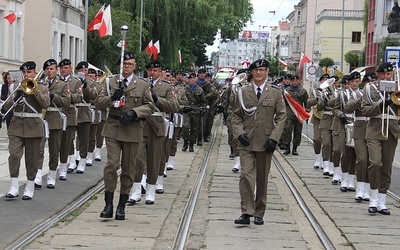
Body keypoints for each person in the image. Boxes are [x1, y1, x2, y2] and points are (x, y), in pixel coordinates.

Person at [96, 52, 155, 220]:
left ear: (135, 66)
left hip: (132, 128)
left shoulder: (142, 85)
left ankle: (121, 206)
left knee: (129, 168)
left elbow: (150, 107)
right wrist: (111, 98)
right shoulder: (110, 82)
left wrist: (135, 112)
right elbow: (98, 103)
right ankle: (108, 204)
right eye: (124, 64)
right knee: (112, 164)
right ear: (120, 65)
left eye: (130, 64)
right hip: (113, 127)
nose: (127, 67)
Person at [232, 59, 286, 225]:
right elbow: (235, 115)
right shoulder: (243, 91)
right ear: (251, 72)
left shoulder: (275, 92)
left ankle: (259, 212)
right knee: (246, 176)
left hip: (265, 142)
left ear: (267, 71)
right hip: (246, 142)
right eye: (256, 70)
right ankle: (246, 212)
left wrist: (274, 139)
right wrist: (239, 133)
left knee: (262, 178)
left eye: (262, 70)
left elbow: (282, 116)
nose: (259, 73)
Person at [4, 61, 50, 200]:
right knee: (14, 155)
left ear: (34, 73)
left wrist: (34, 91)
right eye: (24, 72)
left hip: (34, 126)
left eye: (29, 72)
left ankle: (30, 186)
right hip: (17, 125)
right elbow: (6, 106)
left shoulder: (42, 87)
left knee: (32, 158)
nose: (26, 75)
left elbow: (45, 104)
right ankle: (14, 186)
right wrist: (15, 97)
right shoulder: (14, 86)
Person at [361, 62, 399, 215]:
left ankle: (382, 201)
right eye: (383, 74)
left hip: (392, 131)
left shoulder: (397, 87)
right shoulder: (370, 89)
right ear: (378, 74)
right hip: (375, 129)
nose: (386, 77)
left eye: (389, 74)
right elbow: (365, 110)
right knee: (375, 162)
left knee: (387, 166)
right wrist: (383, 103)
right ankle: (373, 198)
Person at [35, 59, 70, 189]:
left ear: (56, 70)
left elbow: (67, 102)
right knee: (38, 149)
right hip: (41, 119)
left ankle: (51, 175)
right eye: (47, 69)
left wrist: (53, 96)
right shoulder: (39, 83)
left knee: (54, 150)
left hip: (55, 118)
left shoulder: (62, 84)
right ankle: (38, 175)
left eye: (52, 69)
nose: (49, 71)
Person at [57, 59, 83, 181]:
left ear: (70, 68)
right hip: (56, 114)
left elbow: (79, 97)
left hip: (69, 114)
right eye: (61, 68)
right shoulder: (55, 81)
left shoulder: (76, 82)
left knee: (68, 140)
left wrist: (67, 95)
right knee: (56, 143)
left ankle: (65, 167)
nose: (63, 70)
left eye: (66, 68)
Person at [281, 75, 308, 155]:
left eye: (296, 81)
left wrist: (306, 113)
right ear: (291, 81)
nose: (295, 82)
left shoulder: (303, 91)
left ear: (299, 81)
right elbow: (283, 103)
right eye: (293, 81)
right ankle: (287, 148)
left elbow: (306, 102)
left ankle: (295, 148)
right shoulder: (286, 91)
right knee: (287, 130)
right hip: (289, 112)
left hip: (299, 113)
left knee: (298, 131)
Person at [182, 73, 205, 152]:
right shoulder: (185, 89)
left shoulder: (200, 90)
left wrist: (202, 109)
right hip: (187, 110)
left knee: (194, 128)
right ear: (188, 79)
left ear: (196, 79)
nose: (192, 80)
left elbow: (203, 101)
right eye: (190, 78)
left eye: (194, 78)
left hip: (196, 111)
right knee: (185, 126)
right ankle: (185, 142)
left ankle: (191, 144)